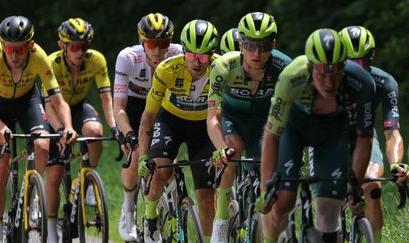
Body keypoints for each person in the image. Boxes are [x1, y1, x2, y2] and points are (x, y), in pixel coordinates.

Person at [255, 28, 378, 243]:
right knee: (282, 202)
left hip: (332, 133)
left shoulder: (362, 83)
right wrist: (266, 186)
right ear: (310, 67)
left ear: (344, 66)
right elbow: (272, 135)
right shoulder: (291, 77)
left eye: (336, 74)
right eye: (322, 74)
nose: (329, 83)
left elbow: (364, 137)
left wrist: (356, 186)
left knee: (330, 212)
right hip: (293, 129)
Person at [0, 16, 74, 243]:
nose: (14, 54)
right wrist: (1, 128)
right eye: (10, 48)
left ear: (30, 46)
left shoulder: (39, 56)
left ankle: (30, 195)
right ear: (2, 45)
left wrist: (68, 127)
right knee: (1, 166)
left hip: (27, 102)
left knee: (43, 145)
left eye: (20, 50)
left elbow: (59, 101)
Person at [207, 12, 291, 243]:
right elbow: (213, 117)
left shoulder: (285, 66)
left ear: (273, 44)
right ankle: (222, 222)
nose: (256, 53)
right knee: (232, 150)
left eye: (264, 46)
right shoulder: (223, 66)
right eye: (250, 45)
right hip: (232, 118)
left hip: (265, 122)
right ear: (240, 44)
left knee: (268, 163)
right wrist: (220, 148)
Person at [137, 19, 219, 243]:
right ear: (183, 51)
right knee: (161, 170)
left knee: (205, 197)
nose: (196, 61)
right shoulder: (167, 69)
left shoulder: (220, 69)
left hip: (203, 128)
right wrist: (144, 155)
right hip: (170, 122)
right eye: (191, 54)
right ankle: (150, 215)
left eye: (203, 56)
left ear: (212, 55)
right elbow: (148, 116)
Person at [42, 17, 117, 243]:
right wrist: (62, 129)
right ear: (62, 46)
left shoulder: (96, 61)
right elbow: (48, 104)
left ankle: (87, 181)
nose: (79, 52)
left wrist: (114, 127)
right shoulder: (51, 62)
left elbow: (106, 97)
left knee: (95, 130)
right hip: (53, 108)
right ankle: (52, 226)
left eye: (84, 47)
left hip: (79, 105)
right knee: (54, 175)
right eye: (74, 47)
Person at [113, 12, 183, 241]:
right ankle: (129, 210)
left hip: (163, 106)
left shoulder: (179, 54)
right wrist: (129, 134)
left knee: (167, 163)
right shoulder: (127, 58)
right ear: (142, 41)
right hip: (133, 108)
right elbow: (119, 107)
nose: (157, 50)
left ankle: (170, 211)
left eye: (164, 43)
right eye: (152, 44)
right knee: (135, 158)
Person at [340, 25, 407, 243]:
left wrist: (396, 164)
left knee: (373, 185)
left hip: (365, 138)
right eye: (350, 63)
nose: (357, 70)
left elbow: (392, 133)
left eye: (363, 62)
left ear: (373, 57)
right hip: (329, 139)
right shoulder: (323, 80)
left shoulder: (385, 83)